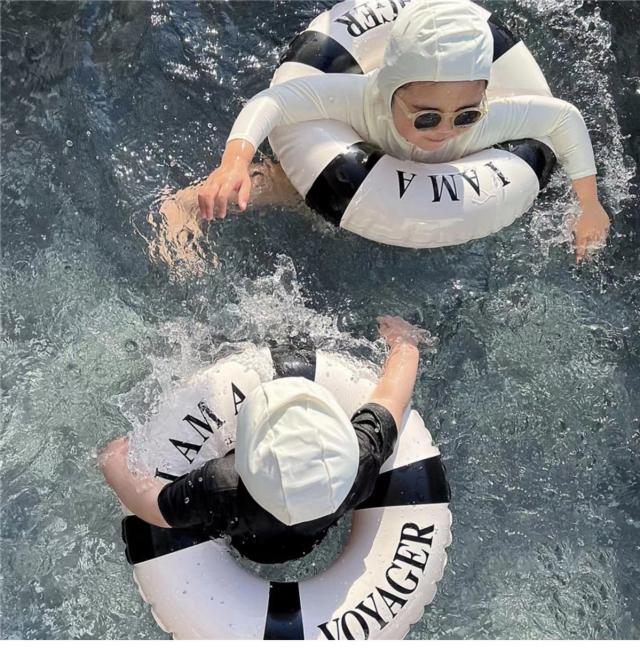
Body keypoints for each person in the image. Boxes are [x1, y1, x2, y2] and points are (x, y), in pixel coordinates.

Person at [194, 0, 610, 262]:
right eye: (426, 117)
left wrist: (589, 204)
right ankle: (185, 207)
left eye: (465, 115)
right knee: (285, 185)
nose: (446, 130)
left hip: (440, 189)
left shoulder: (487, 119)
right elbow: (275, 101)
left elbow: (564, 119)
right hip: (357, 159)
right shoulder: (360, 99)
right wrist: (234, 161)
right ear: (389, 91)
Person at [99, 315, 427, 564]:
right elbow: (392, 397)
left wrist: (114, 465)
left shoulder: (221, 486)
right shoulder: (360, 461)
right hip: (310, 541)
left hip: (247, 543)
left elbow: (154, 506)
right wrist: (404, 343)